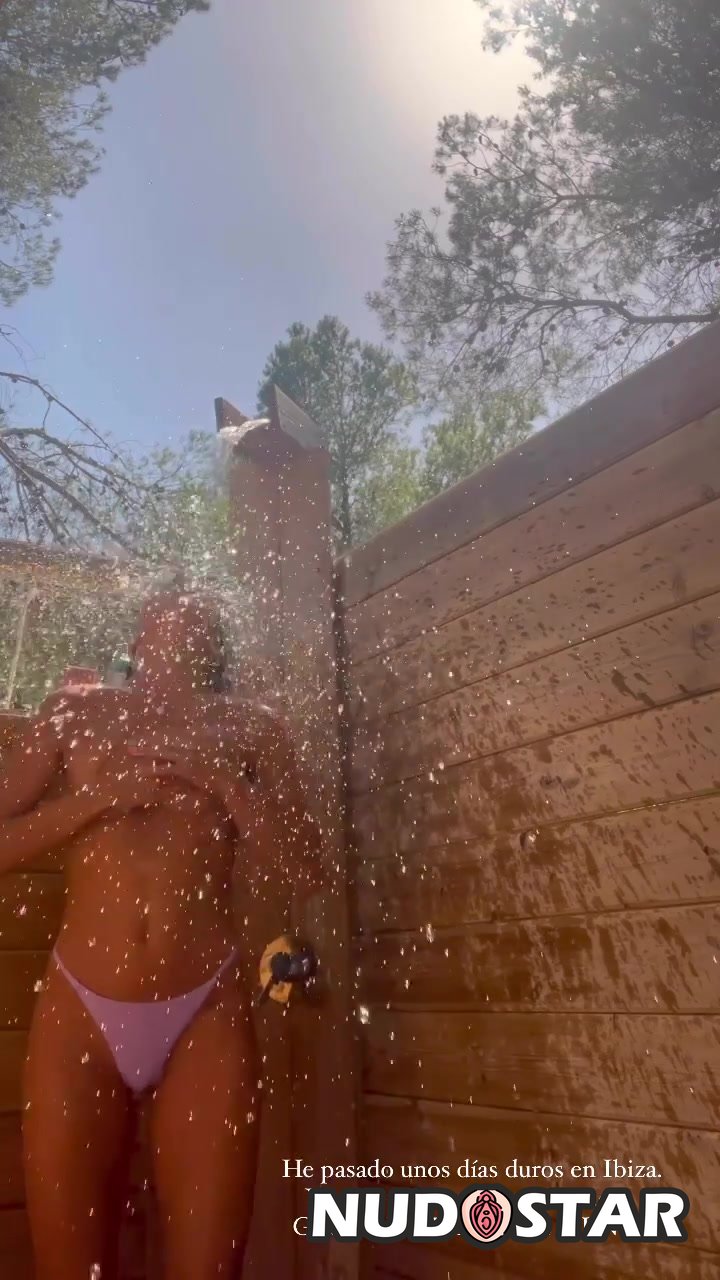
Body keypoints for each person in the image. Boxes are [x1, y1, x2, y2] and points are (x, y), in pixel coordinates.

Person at [0, 589, 323, 1280]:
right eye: (166, 607)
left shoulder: (252, 727)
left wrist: (230, 792)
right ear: (137, 639)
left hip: (204, 1012)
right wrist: (98, 800)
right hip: (80, 1013)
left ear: (218, 645)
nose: (181, 611)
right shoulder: (76, 712)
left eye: (199, 611)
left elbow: (307, 870)